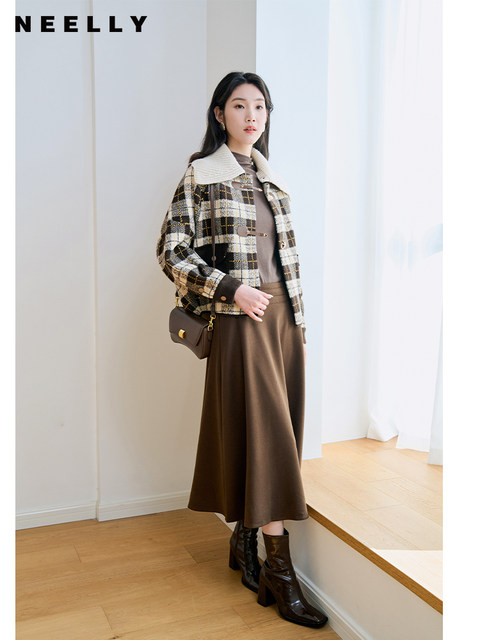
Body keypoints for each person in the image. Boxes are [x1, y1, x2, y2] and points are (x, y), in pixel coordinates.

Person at [156, 71, 327, 629]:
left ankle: (243, 541)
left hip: (283, 321)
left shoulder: (271, 178)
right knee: (269, 435)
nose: (251, 116)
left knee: (276, 431)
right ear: (218, 114)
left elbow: (286, 261)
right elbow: (171, 251)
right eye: (239, 105)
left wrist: (299, 325)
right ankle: (279, 570)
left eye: (260, 106)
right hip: (241, 318)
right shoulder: (201, 175)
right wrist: (231, 289)